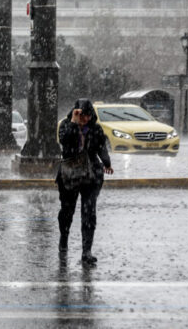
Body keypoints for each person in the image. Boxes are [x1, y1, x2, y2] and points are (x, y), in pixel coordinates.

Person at [57, 98, 114, 265]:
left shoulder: (95, 128)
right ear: (76, 113)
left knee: (89, 213)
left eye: (89, 116)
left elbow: (101, 146)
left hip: (91, 176)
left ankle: (86, 250)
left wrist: (106, 162)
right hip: (70, 174)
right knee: (67, 211)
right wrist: (74, 123)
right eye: (83, 115)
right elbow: (65, 142)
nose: (86, 119)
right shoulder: (66, 125)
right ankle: (64, 238)